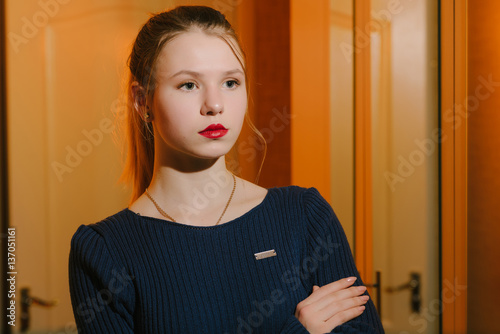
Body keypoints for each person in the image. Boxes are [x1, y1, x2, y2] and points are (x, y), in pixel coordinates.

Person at [68, 5, 384, 334]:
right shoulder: (103, 251)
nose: (215, 104)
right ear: (142, 101)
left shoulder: (305, 217)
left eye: (231, 82)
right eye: (189, 85)